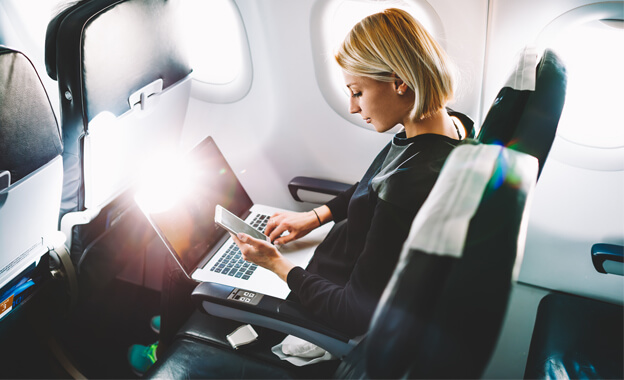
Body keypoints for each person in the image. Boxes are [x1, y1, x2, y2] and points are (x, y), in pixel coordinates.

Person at [128, 7, 472, 374]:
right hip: (329, 257)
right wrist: (313, 217)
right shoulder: (449, 128)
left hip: (324, 292)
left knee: (191, 262)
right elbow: (372, 185)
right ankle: (178, 318)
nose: (354, 107)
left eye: (358, 92)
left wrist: (274, 264)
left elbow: (353, 313)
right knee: (211, 250)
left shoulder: (408, 187)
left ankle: (167, 344)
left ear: (399, 82)